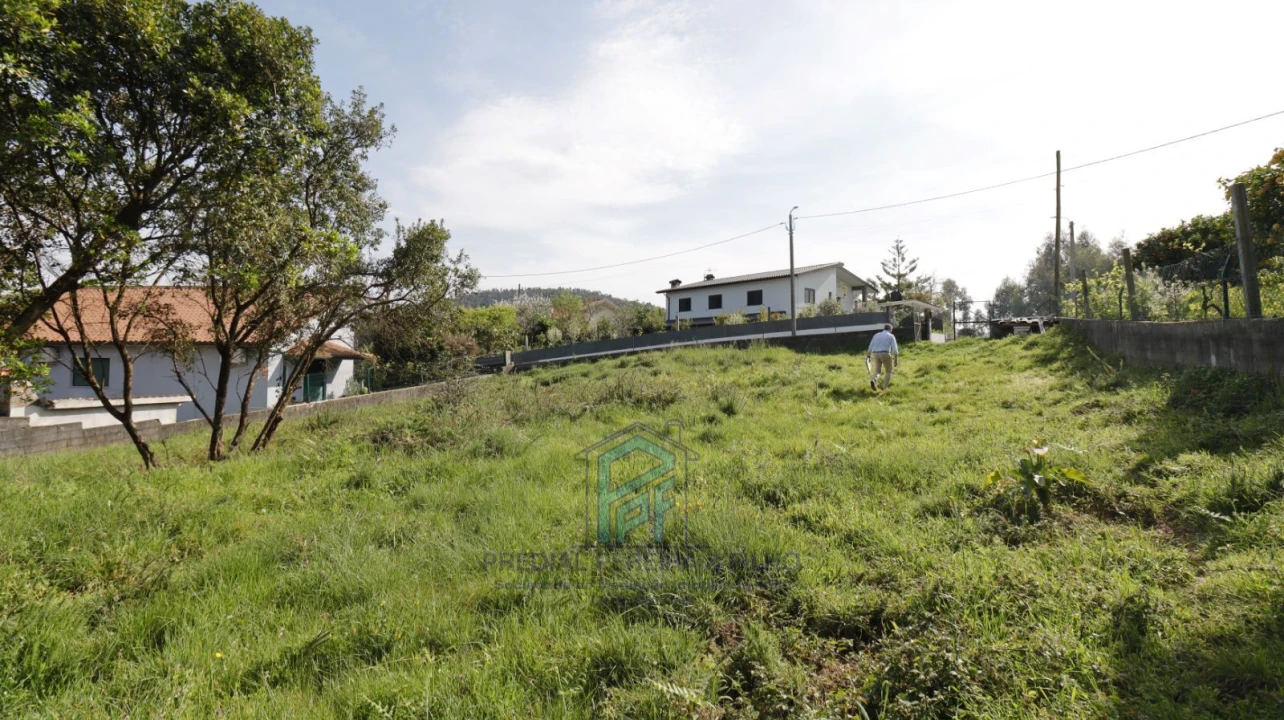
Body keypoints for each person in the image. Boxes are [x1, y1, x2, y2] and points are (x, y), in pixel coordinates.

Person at [866, 323, 899, 391]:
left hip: (875, 354)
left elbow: (870, 346)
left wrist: (868, 355)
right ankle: (884, 388)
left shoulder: (876, 335)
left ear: (884, 328)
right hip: (885, 353)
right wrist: (895, 360)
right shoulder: (891, 336)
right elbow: (895, 350)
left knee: (877, 371)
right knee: (888, 371)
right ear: (890, 329)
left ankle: (873, 379)